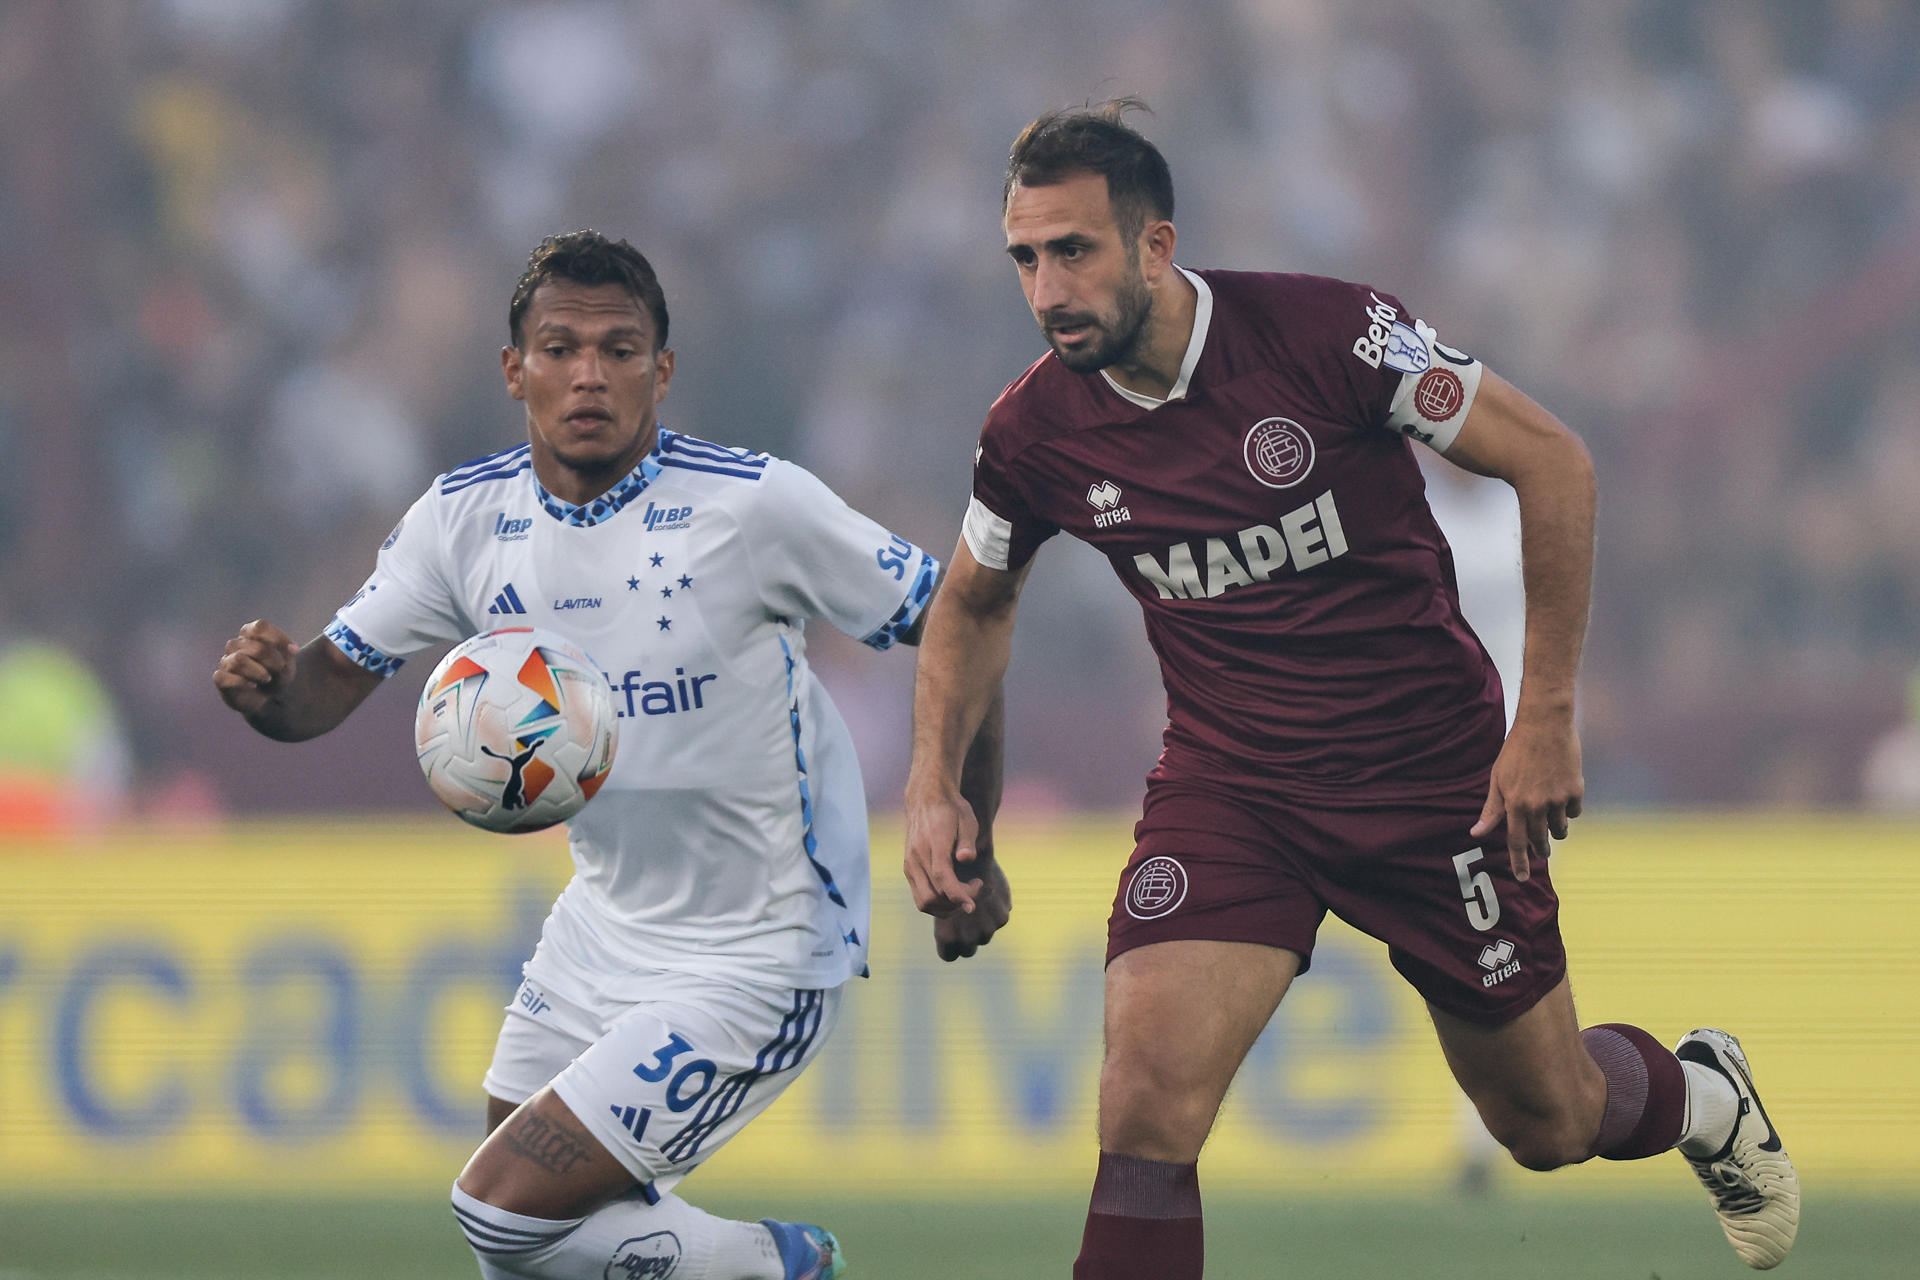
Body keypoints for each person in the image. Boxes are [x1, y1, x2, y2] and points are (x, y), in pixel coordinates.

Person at [902, 102, 1798, 1276]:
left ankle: (1701, 1093)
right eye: (1025, 257)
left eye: (1074, 250)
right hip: (1236, 789)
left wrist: (1546, 717)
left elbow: (1553, 462)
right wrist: (935, 787)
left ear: (1156, 246)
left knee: (1547, 1120)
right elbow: (971, 601)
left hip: (1436, 782)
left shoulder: (1329, 335)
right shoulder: (1034, 431)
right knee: (1143, 1107)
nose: (1048, 287)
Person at [216, 230, 947, 1280]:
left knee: (499, 1210)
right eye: (560, 348)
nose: (590, 373)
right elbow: (322, 685)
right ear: (515, 370)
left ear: (664, 369)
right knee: (537, 1252)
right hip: (603, 925)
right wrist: (268, 690)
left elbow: (957, 610)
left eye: (620, 348)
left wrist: (949, 803)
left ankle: (780, 1265)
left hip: (764, 943)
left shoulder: (751, 505)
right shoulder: (463, 521)